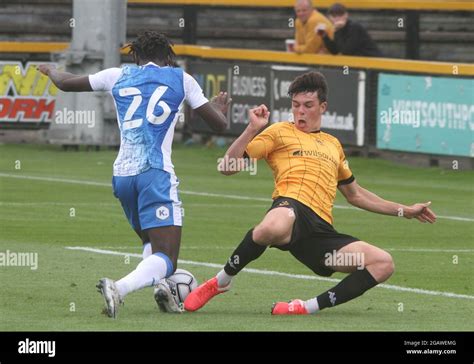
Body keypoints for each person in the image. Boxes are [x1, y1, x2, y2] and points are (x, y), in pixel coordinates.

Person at [184, 71, 436, 315]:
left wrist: (406, 211)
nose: (300, 111)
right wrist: (252, 129)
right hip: (290, 207)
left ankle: (305, 307)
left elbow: (356, 195)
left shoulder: (333, 145)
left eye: (307, 105)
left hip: (320, 234)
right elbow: (227, 168)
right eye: (295, 105)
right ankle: (221, 281)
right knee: (270, 227)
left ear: (323, 106)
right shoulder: (279, 131)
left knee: (383, 263)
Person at [38, 31, 230, 318]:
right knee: (167, 257)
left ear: (136, 57)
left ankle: (162, 289)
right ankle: (119, 287)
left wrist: (52, 70)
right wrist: (221, 108)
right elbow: (219, 126)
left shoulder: (117, 75)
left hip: (123, 175)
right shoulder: (182, 78)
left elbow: (65, 83)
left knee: (151, 244)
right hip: (155, 173)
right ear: (168, 57)